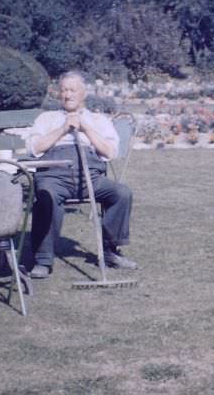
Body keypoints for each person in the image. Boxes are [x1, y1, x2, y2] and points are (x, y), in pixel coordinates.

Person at [25, 71, 136, 278]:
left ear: (84, 93)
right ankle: (43, 259)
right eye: (64, 90)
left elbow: (110, 152)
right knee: (46, 195)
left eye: (72, 90)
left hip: (89, 177)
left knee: (121, 193)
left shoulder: (98, 119)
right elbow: (34, 148)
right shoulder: (46, 118)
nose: (67, 95)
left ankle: (110, 251)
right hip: (54, 175)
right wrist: (62, 129)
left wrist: (86, 129)